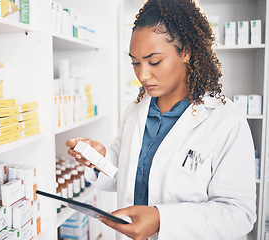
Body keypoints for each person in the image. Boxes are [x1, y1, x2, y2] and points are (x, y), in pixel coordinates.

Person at [66, 0, 256, 239]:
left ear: (186, 51)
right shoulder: (136, 111)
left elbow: (239, 215)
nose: (142, 75)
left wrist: (161, 219)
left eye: (154, 61)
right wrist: (100, 158)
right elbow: (120, 176)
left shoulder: (226, 121)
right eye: (135, 62)